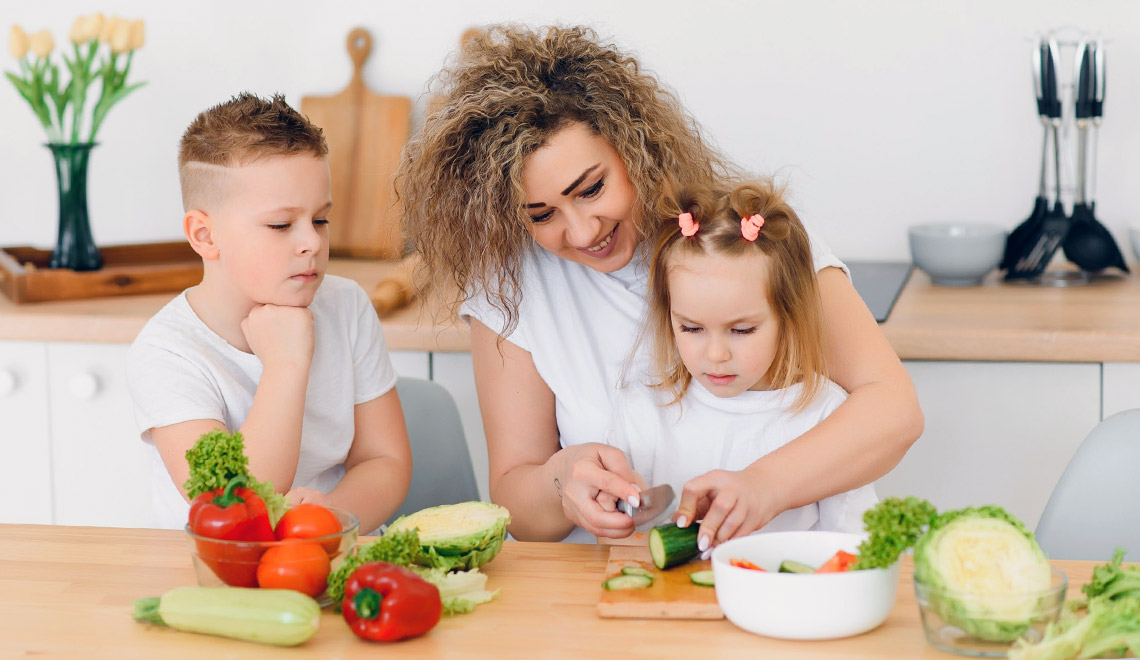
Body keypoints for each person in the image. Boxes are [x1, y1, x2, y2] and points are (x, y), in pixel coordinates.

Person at [397, 25, 922, 543]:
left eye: (592, 188)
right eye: (541, 214)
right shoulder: (511, 286)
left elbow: (894, 411)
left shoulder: (741, 239)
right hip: (597, 588)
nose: (581, 231)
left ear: (634, 146)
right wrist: (563, 481)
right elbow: (516, 499)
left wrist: (766, 486)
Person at [126, 92, 412, 533]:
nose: (313, 243)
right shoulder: (167, 353)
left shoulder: (347, 305)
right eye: (281, 225)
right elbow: (236, 505)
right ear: (204, 235)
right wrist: (285, 364)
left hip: (328, 555)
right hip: (218, 583)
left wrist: (324, 523)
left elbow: (385, 460)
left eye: (321, 220)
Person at [606, 180, 878, 551]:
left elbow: (856, 549)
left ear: (788, 316)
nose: (715, 354)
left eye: (741, 330)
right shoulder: (641, 412)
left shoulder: (826, 416)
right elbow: (620, 545)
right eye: (691, 328)